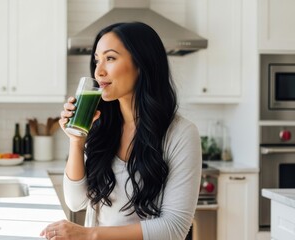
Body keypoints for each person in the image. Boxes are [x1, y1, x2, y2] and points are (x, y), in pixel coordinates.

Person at [40, 22, 202, 240]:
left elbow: (174, 228)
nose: (99, 70)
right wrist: (76, 142)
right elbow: (75, 201)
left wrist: (89, 235)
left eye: (110, 58)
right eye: (97, 59)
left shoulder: (180, 134)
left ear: (141, 63)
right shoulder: (99, 125)